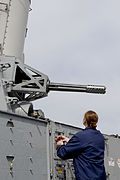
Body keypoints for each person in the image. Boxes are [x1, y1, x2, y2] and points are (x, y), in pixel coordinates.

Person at [56, 110, 106, 180]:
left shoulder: (81, 136)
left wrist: (60, 145)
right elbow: (88, 149)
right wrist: (70, 141)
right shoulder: (100, 136)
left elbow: (63, 153)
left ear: (84, 120)